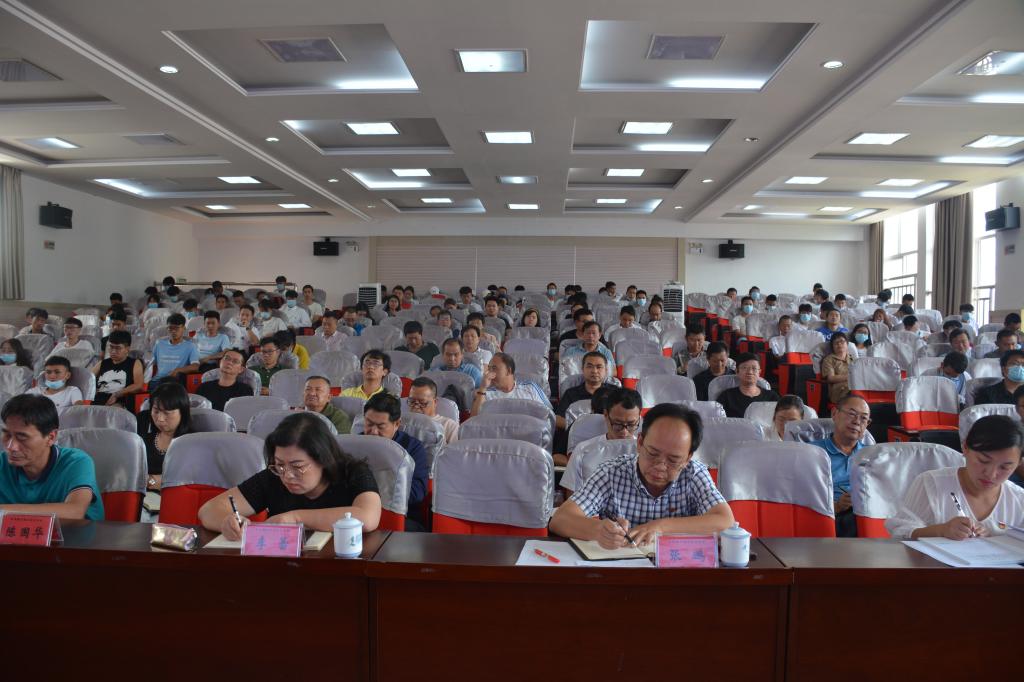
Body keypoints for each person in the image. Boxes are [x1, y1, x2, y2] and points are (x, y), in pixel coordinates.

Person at [549, 403, 734, 548]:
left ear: (687, 458)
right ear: (639, 443)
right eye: (652, 454)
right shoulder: (611, 472)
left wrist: (659, 527)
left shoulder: (694, 473)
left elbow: (725, 521)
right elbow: (560, 519)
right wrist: (598, 531)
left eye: (673, 460)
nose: (660, 466)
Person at [198, 412, 381, 540]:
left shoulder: (354, 472)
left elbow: (367, 518)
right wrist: (226, 522)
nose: (287, 476)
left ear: (323, 459)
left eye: (297, 466)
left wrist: (294, 518)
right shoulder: (274, 476)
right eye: (280, 464)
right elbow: (208, 510)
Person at [885, 415, 1024, 539]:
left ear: (1019, 463)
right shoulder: (931, 484)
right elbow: (900, 533)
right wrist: (941, 531)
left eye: (1004, 467)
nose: (991, 474)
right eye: (983, 461)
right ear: (965, 448)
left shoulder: (1019, 500)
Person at [0, 394, 103, 520]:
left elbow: (75, 511)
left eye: (22, 437)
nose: (11, 447)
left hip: (76, 532)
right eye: (7, 435)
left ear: (51, 437)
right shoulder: (2, 462)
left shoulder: (76, 462)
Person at [361, 393, 429, 529]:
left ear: (397, 424)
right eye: (369, 424)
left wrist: (371, 491)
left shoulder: (413, 448)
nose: (373, 431)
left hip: (402, 515)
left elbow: (417, 492)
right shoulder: (357, 444)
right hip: (360, 512)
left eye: (380, 426)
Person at [809, 394, 871, 537]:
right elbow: (802, 495)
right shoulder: (812, 452)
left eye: (863, 418)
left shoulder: (872, 455)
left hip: (867, 514)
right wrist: (836, 506)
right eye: (852, 414)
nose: (857, 422)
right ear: (834, 414)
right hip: (831, 517)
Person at [560, 387, 642, 493]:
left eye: (631, 425)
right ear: (606, 415)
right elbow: (572, 495)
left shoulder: (645, 452)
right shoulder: (584, 450)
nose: (624, 432)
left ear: (639, 419)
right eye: (617, 424)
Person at [141, 382, 191, 492]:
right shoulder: (144, 440)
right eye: (156, 411)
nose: (160, 419)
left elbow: (190, 478)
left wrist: (151, 481)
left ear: (182, 412)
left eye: (167, 413)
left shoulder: (192, 442)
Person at [471, 353, 550, 415]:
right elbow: (474, 422)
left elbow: (548, 415)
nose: (489, 373)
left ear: (509, 371)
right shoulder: (485, 394)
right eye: (489, 369)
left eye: (494, 368)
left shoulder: (530, 388)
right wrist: (483, 388)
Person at [556, 351, 614, 431]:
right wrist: (580, 428)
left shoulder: (615, 392)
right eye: (589, 366)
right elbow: (558, 418)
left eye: (599, 367)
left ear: (606, 370)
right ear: (582, 369)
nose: (594, 371)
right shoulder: (571, 393)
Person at [716, 353, 780, 418]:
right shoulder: (726, 397)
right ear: (737, 371)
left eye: (754, 368)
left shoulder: (772, 397)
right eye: (744, 368)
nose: (750, 372)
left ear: (759, 372)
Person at [91, 330, 145, 407]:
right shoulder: (102, 363)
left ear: (127, 349)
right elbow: (88, 380)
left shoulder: (135, 363)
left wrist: (117, 394)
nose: (113, 351)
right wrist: (92, 389)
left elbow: (138, 385)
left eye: (118, 348)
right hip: (98, 400)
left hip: (121, 400)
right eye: (111, 347)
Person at [151, 313, 200, 386]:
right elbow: (152, 363)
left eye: (176, 328)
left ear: (184, 328)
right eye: (170, 328)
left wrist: (178, 370)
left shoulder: (190, 346)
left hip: (175, 382)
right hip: (157, 381)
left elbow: (195, 366)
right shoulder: (159, 344)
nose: (173, 331)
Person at [408, 377, 459, 444]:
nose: (416, 406)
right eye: (412, 401)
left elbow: (454, 450)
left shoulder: (449, 426)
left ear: (435, 402)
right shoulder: (403, 421)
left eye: (422, 403)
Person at [821, 332, 853, 405]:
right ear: (832, 347)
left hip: (853, 386)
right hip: (838, 391)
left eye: (842, 341)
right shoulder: (828, 360)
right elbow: (831, 378)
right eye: (836, 343)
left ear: (847, 344)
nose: (839, 344)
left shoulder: (852, 358)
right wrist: (850, 377)